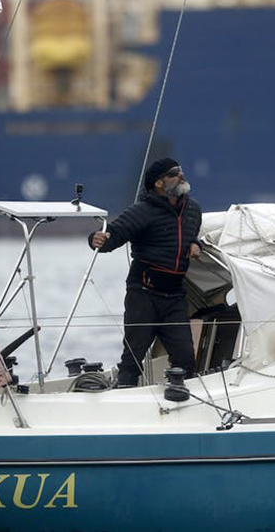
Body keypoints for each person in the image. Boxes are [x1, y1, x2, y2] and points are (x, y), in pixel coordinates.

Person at [88, 158, 203, 388]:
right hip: (143, 294)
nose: (181, 175)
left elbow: (189, 235)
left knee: (186, 358)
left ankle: (179, 398)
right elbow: (113, 235)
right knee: (132, 359)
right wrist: (95, 239)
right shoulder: (143, 211)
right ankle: (124, 396)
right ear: (159, 183)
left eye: (181, 171)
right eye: (174, 173)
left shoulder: (193, 210)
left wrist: (196, 244)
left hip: (175, 296)